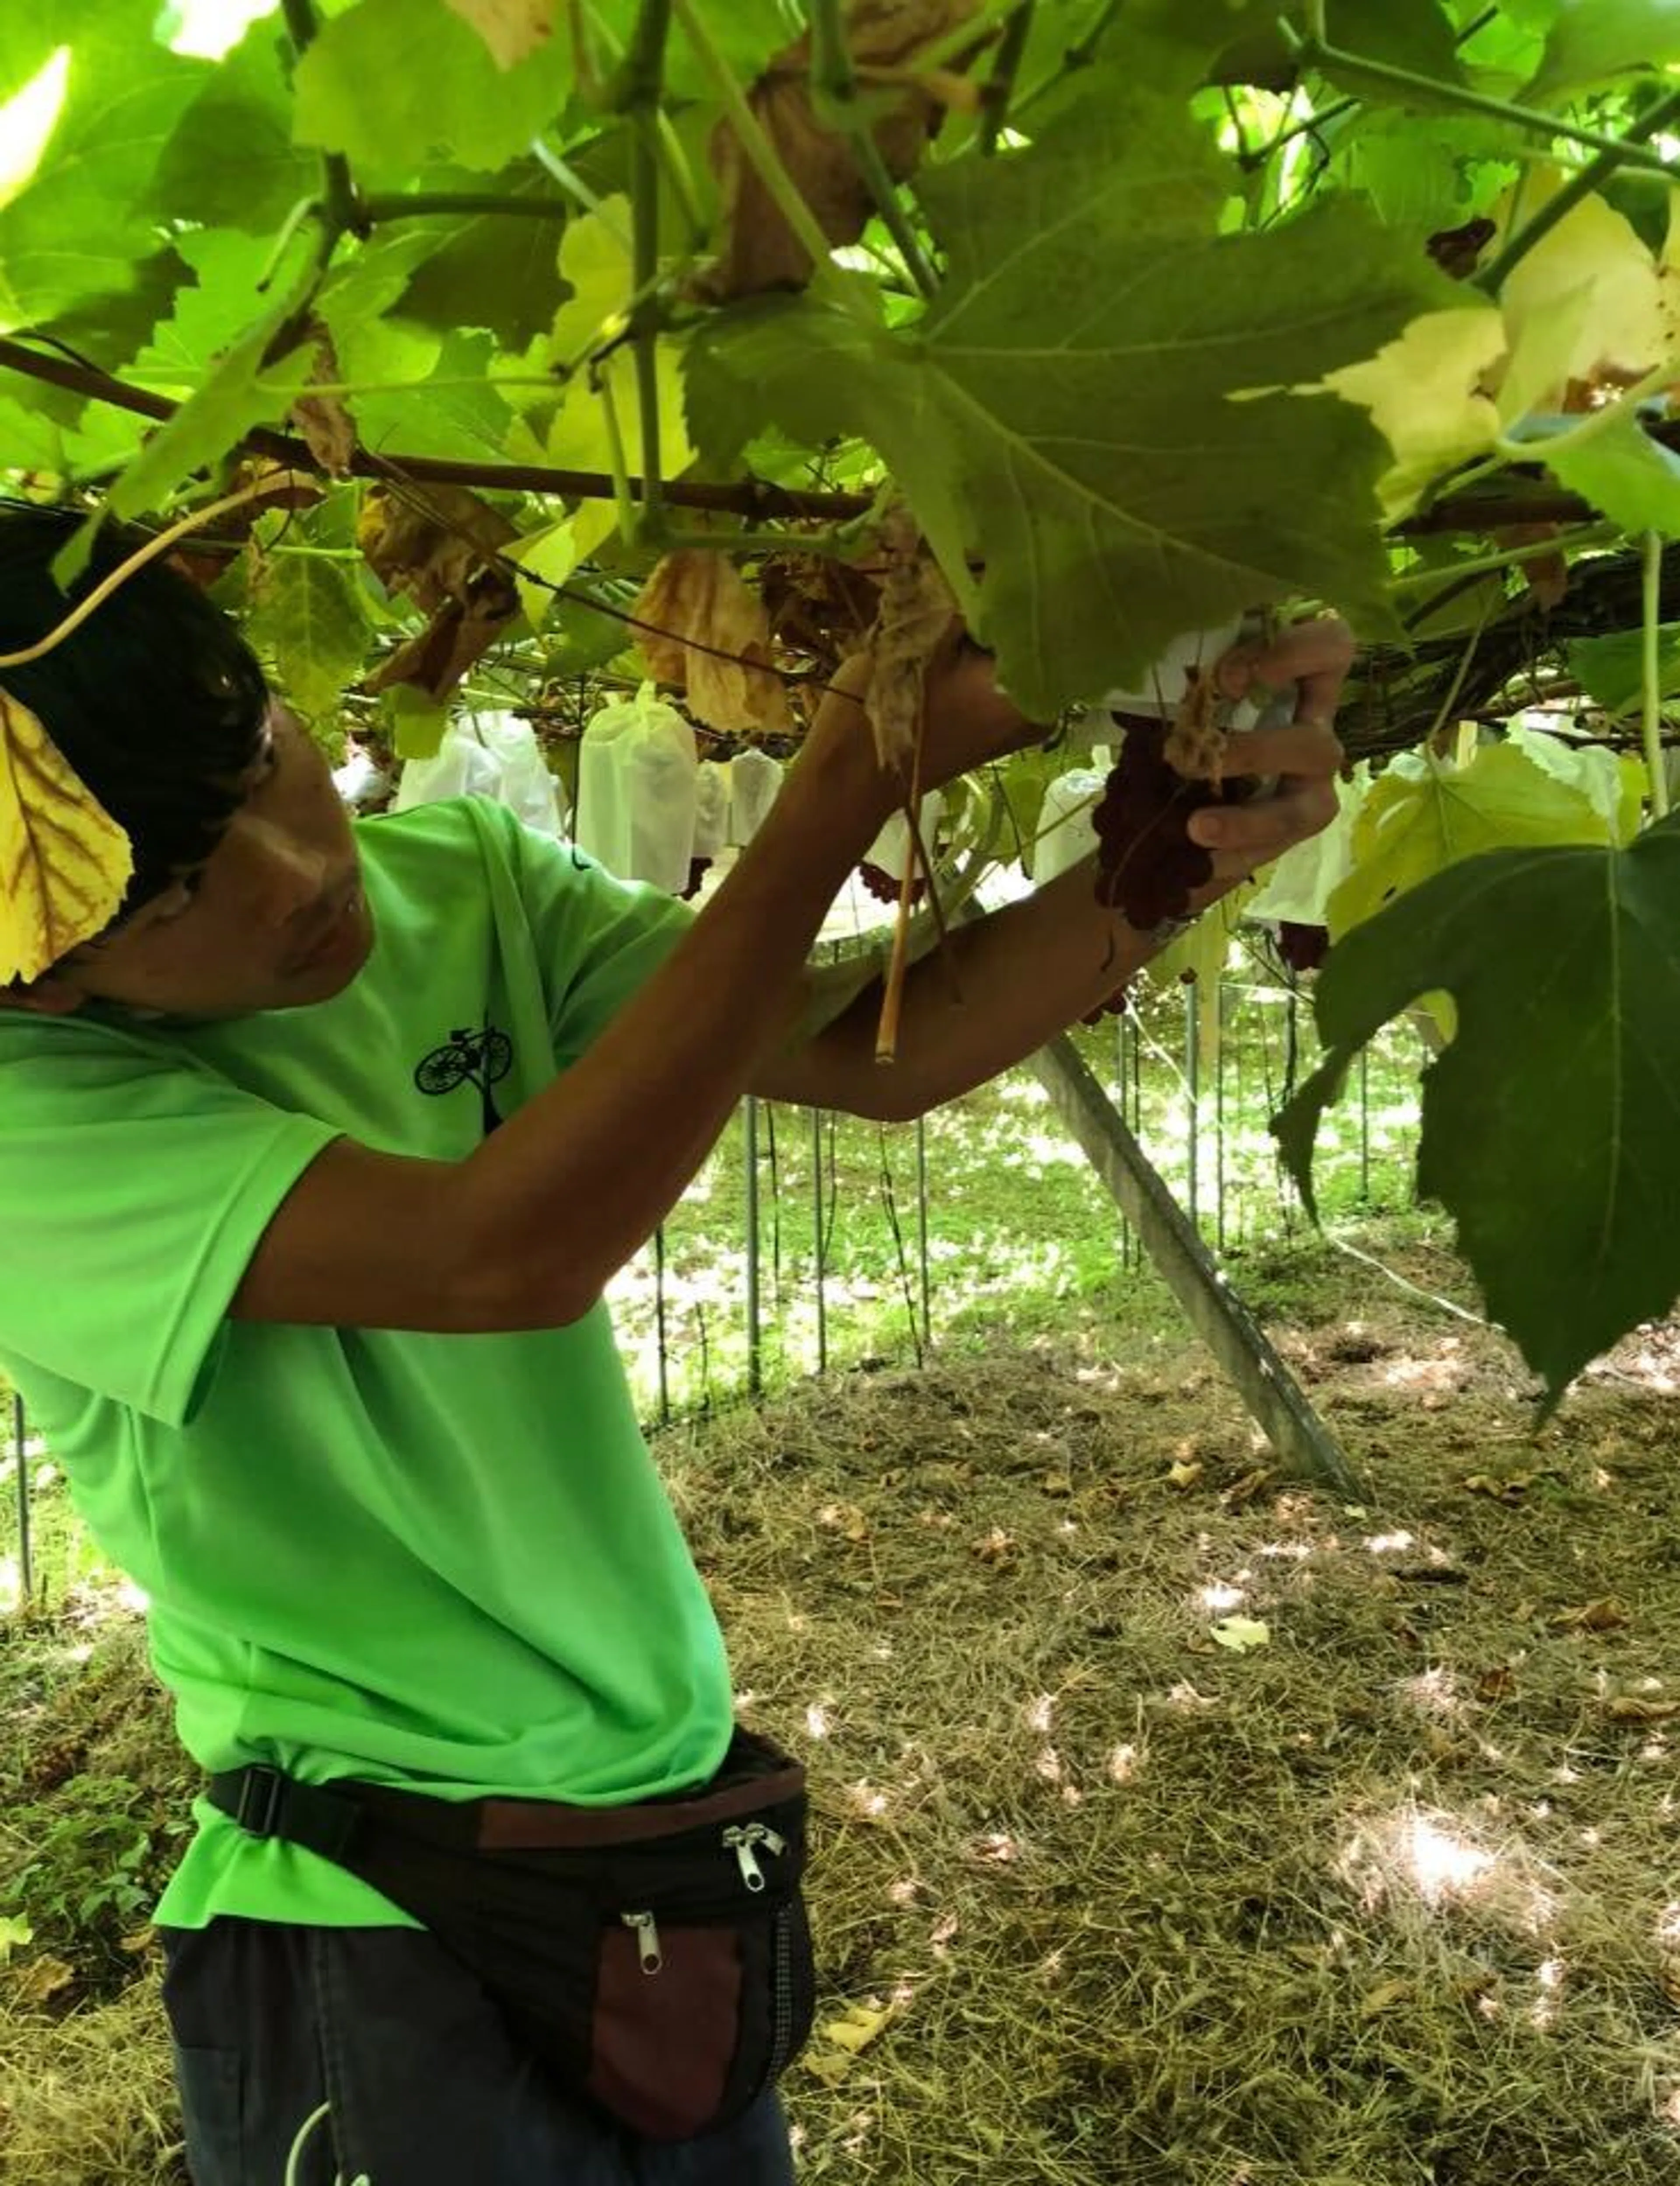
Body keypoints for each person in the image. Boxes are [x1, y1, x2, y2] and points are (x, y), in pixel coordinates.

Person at [0, 502, 1351, 2186]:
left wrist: (1170, 846)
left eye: (263, 761)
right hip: (368, 1899)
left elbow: (876, 1043)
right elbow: (505, 1252)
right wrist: (849, 775)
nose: (295, 873)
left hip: (653, 1824)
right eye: (178, 887)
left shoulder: (458, 882)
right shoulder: (22, 1113)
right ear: (41, 965)